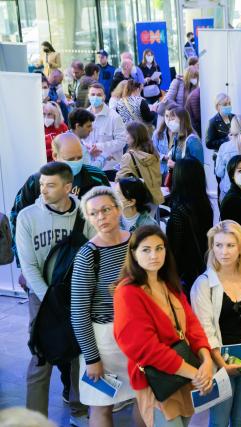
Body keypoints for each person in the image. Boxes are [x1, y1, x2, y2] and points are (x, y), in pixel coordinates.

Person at [15, 162, 92, 425]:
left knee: (78, 354)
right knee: (40, 358)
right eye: (41, 185)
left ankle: (79, 410)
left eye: (50, 185)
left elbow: (96, 255)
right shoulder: (27, 217)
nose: (43, 191)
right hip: (43, 297)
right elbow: (29, 266)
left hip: (77, 297)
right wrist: (51, 300)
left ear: (67, 187)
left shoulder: (85, 213)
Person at [113, 225, 214, 427]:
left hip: (184, 376)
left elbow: (191, 325)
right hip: (157, 380)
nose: (154, 255)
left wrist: (207, 359)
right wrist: (196, 373)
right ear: (133, 253)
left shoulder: (168, 283)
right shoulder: (128, 293)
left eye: (159, 248)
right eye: (146, 249)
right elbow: (146, 349)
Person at [70, 186, 143, 426]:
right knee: (101, 406)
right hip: (105, 341)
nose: (100, 217)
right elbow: (79, 312)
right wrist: (92, 358)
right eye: (93, 214)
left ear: (118, 209)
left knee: (143, 400)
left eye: (105, 210)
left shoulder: (137, 243)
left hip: (139, 335)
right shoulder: (87, 255)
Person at [190, 220, 241, 426]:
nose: (224, 252)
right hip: (219, 360)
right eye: (218, 245)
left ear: (240, 247)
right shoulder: (204, 284)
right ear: (212, 247)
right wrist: (221, 363)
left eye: (230, 245)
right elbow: (205, 331)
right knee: (219, 420)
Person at [10, 134, 110, 250]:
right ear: (55, 156)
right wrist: (21, 257)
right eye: (70, 159)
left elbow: (111, 212)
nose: (76, 162)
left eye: (79, 157)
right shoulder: (37, 181)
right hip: (48, 255)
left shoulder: (96, 177)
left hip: (90, 251)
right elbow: (17, 216)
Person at [166, 159, 213, 294]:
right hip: (201, 267)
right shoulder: (205, 204)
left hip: (185, 273)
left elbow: (175, 248)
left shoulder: (179, 210)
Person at [84, 83, 128, 180]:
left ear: (104, 97)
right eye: (93, 94)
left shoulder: (114, 117)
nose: (95, 97)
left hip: (108, 168)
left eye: (99, 95)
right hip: (89, 166)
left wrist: (99, 147)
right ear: (88, 96)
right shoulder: (83, 115)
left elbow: (122, 141)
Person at [116, 121, 164, 206]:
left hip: (137, 201)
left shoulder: (128, 156)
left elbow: (120, 181)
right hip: (155, 197)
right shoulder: (154, 153)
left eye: (127, 134)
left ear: (135, 136)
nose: (125, 136)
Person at [152, 100, 178, 180]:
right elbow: (152, 150)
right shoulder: (158, 133)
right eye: (167, 116)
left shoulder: (181, 133)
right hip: (162, 171)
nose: (169, 119)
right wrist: (164, 157)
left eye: (172, 116)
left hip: (177, 171)